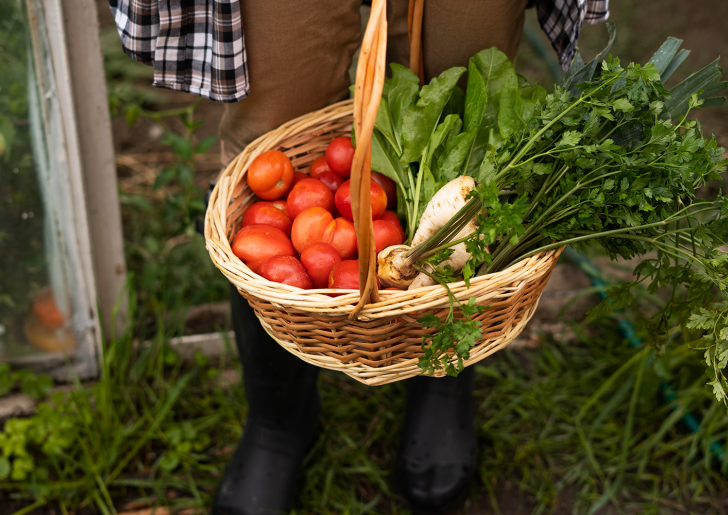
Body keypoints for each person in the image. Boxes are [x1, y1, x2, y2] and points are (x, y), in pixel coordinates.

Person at [108, 1, 608, 513]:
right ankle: (278, 419)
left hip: (377, 234)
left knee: (461, 91)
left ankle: (441, 375)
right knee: (275, 115)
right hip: (322, 216)